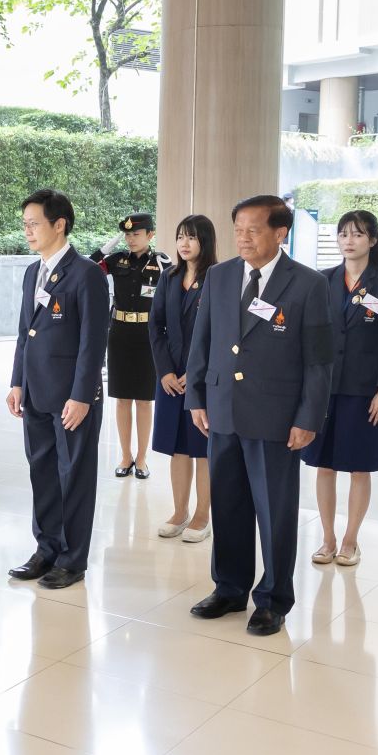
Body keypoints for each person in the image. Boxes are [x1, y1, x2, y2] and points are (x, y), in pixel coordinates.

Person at [186, 195, 333, 636]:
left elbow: (320, 360)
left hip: (276, 416)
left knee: (274, 512)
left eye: (253, 230)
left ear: (280, 232)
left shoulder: (308, 284)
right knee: (227, 504)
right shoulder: (220, 275)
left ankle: (272, 598)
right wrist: (196, 397)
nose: (243, 238)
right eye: (238, 230)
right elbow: (202, 340)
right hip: (222, 409)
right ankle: (229, 588)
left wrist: (308, 418)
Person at [6, 189, 109, 589]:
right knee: (43, 472)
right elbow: (24, 333)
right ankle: (45, 548)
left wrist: (82, 395)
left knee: (74, 477)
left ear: (60, 224)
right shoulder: (33, 272)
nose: (28, 231)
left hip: (71, 397)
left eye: (34, 223)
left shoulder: (86, 273)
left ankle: (72, 558)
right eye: (25, 224)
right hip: (35, 393)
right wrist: (17, 382)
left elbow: (93, 341)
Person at [302, 210, 378, 566]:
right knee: (323, 465)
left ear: (372, 240)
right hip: (325, 386)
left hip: (364, 388)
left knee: (359, 466)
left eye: (358, 234)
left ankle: (350, 540)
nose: (349, 241)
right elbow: (313, 335)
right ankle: (328, 538)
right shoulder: (323, 279)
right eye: (343, 234)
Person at [149, 214, 215, 542]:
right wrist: (165, 371)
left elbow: (222, 332)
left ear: (205, 241)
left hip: (202, 381)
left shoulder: (218, 278)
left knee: (202, 449)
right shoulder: (169, 277)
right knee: (177, 448)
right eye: (179, 237)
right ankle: (180, 511)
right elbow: (156, 325)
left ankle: (202, 515)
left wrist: (197, 372)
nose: (184, 244)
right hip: (171, 380)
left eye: (191, 237)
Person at [92, 213, 166, 478]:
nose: (130, 239)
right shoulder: (116, 260)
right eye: (127, 235)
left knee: (144, 400)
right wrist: (105, 249)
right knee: (122, 399)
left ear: (150, 235)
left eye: (136, 234)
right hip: (120, 332)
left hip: (147, 335)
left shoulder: (161, 263)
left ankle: (142, 458)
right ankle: (125, 456)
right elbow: (88, 267)